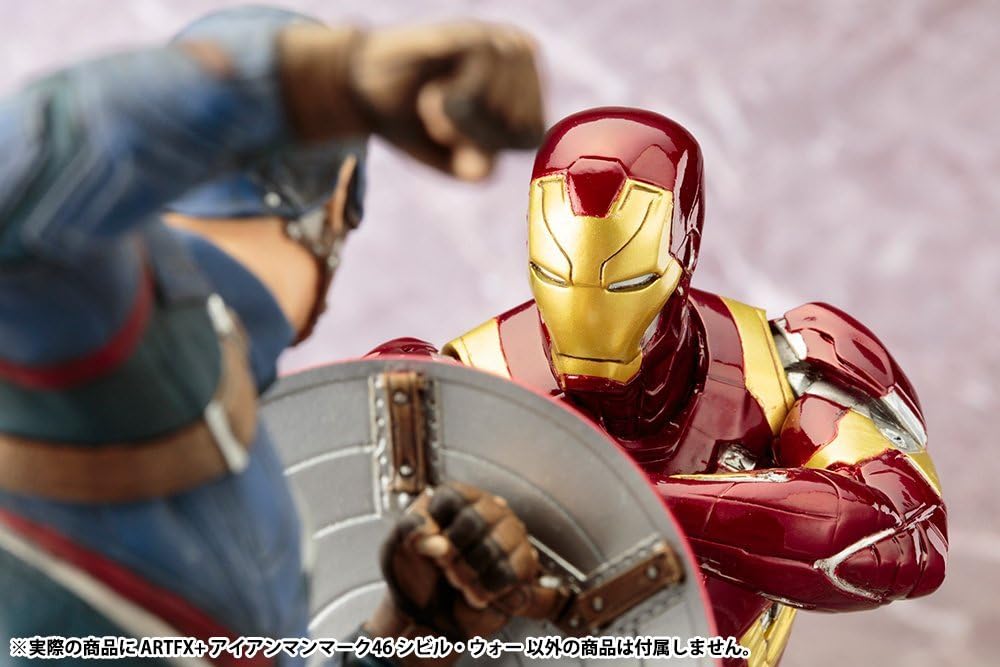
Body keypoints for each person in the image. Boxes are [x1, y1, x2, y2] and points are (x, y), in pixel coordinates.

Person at [0, 7, 547, 666]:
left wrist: (411, 634)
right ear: (340, 200)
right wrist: (322, 82)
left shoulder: (238, 438)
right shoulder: (92, 307)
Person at [370, 107, 949, 667]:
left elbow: (907, 537)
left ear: (686, 247)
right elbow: (352, 574)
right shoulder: (458, 380)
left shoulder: (782, 364)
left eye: (628, 281)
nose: (587, 321)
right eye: (553, 274)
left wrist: (620, 502)